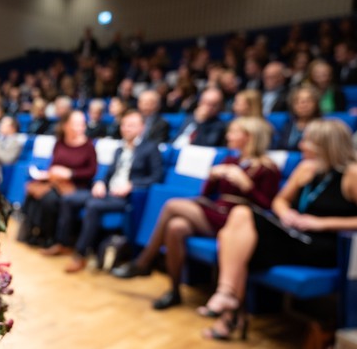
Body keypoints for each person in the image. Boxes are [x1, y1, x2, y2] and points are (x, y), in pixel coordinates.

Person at [200, 119, 357, 340]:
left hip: (321, 245)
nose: (301, 145)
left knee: (238, 237)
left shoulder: (352, 174)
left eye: (308, 141)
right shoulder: (306, 168)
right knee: (239, 225)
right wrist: (286, 213)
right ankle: (227, 298)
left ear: (326, 145)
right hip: (293, 234)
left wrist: (322, 223)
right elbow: (279, 201)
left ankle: (229, 311)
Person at [112, 117, 281, 311]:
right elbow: (206, 195)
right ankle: (174, 290)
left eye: (234, 132)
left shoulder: (267, 168)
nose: (228, 136)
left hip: (237, 222)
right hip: (216, 211)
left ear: (249, 137)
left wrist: (246, 185)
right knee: (175, 227)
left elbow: (267, 206)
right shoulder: (231, 160)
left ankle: (143, 262)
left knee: (172, 205)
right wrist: (212, 176)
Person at [42, 111, 163, 272]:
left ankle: (81, 254)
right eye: (124, 125)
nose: (127, 129)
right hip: (107, 193)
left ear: (142, 127)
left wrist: (132, 185)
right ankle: (63, 243)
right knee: (69, 199)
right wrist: (100, 183)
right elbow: (108, 175)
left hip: (126, 197)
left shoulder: (150, 148)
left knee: (92, 205)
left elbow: (156, 177)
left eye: (132, 125)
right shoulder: (120, 149)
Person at [19, 111, 97, 247]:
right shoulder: (60, 143)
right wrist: (49, 173)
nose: (80, 127)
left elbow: (91, 171)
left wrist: (70, 173)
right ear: (66, 125)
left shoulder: (89, 146)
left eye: (82, 124)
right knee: (33, 191)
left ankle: (49, 237)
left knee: (49, 199)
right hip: (55, 181)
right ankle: (31, 232)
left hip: (74, 185)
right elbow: (54, 163)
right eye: (76, 124)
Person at [276, 86, 322, 151]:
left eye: (308, 101)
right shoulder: (288, 124)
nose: (303, 105)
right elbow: (281, 147)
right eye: (298, 102)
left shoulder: (323, 126)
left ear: (316, 104)